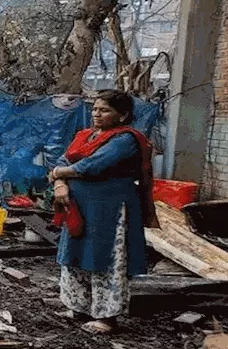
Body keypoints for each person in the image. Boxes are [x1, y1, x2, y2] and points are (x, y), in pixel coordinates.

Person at [49, 90, 158, 335]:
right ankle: (77, 307)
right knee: (75, 255)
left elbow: (93, 166)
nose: (97, 114)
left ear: (123, 115)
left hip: (109, 208)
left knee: (106, 259)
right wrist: (59, 183)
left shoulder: (126, 139)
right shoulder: (85, 136)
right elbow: (63, 160)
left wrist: (58, 173)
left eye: (105, 110)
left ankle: (107, 317)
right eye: (95, 109)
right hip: (79, 206)